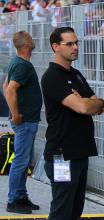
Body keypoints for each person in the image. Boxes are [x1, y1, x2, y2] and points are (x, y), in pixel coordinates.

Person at [41, 27, 104, 220]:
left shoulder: (76, 74)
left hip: (80, 153)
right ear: (55, 47)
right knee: (62, 209)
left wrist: (94, 103)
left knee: (75, 209)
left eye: (76, 43)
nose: (76, 47)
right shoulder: (52, 76)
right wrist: (87, 103)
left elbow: (98, 106)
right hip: (61, 156)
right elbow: (84, 108)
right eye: (69, 44)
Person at [2, 31, 42, 214]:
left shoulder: (17, 63)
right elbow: (9, 90)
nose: (33, 40)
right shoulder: (22, 65)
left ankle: (21, 196)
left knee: (24, 161)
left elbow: (5, 86)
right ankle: (14, 201)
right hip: (25, 121)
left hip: (26, 121)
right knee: (21, 161)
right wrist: (16, 114)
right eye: (31, 38)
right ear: (26, 44)